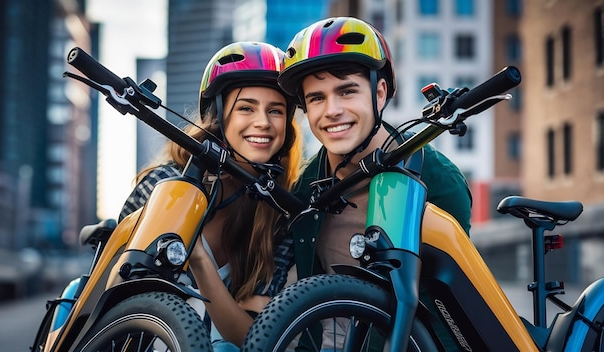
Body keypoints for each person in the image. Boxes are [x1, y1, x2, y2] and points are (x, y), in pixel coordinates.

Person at [119, 41, 303, 351]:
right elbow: (119, 299)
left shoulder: (277, 215)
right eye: (246, 107)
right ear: (219, 117)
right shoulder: (166, 185)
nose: (263, 122)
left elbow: (252, 339)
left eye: (276, 110)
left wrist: (199, 257)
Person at [272, 16, 472, 284]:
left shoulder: (438, 180)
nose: (332, 111)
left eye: (346, 92)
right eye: (317, 98)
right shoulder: (305, 188)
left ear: (379, 93)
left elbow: (455, 307)